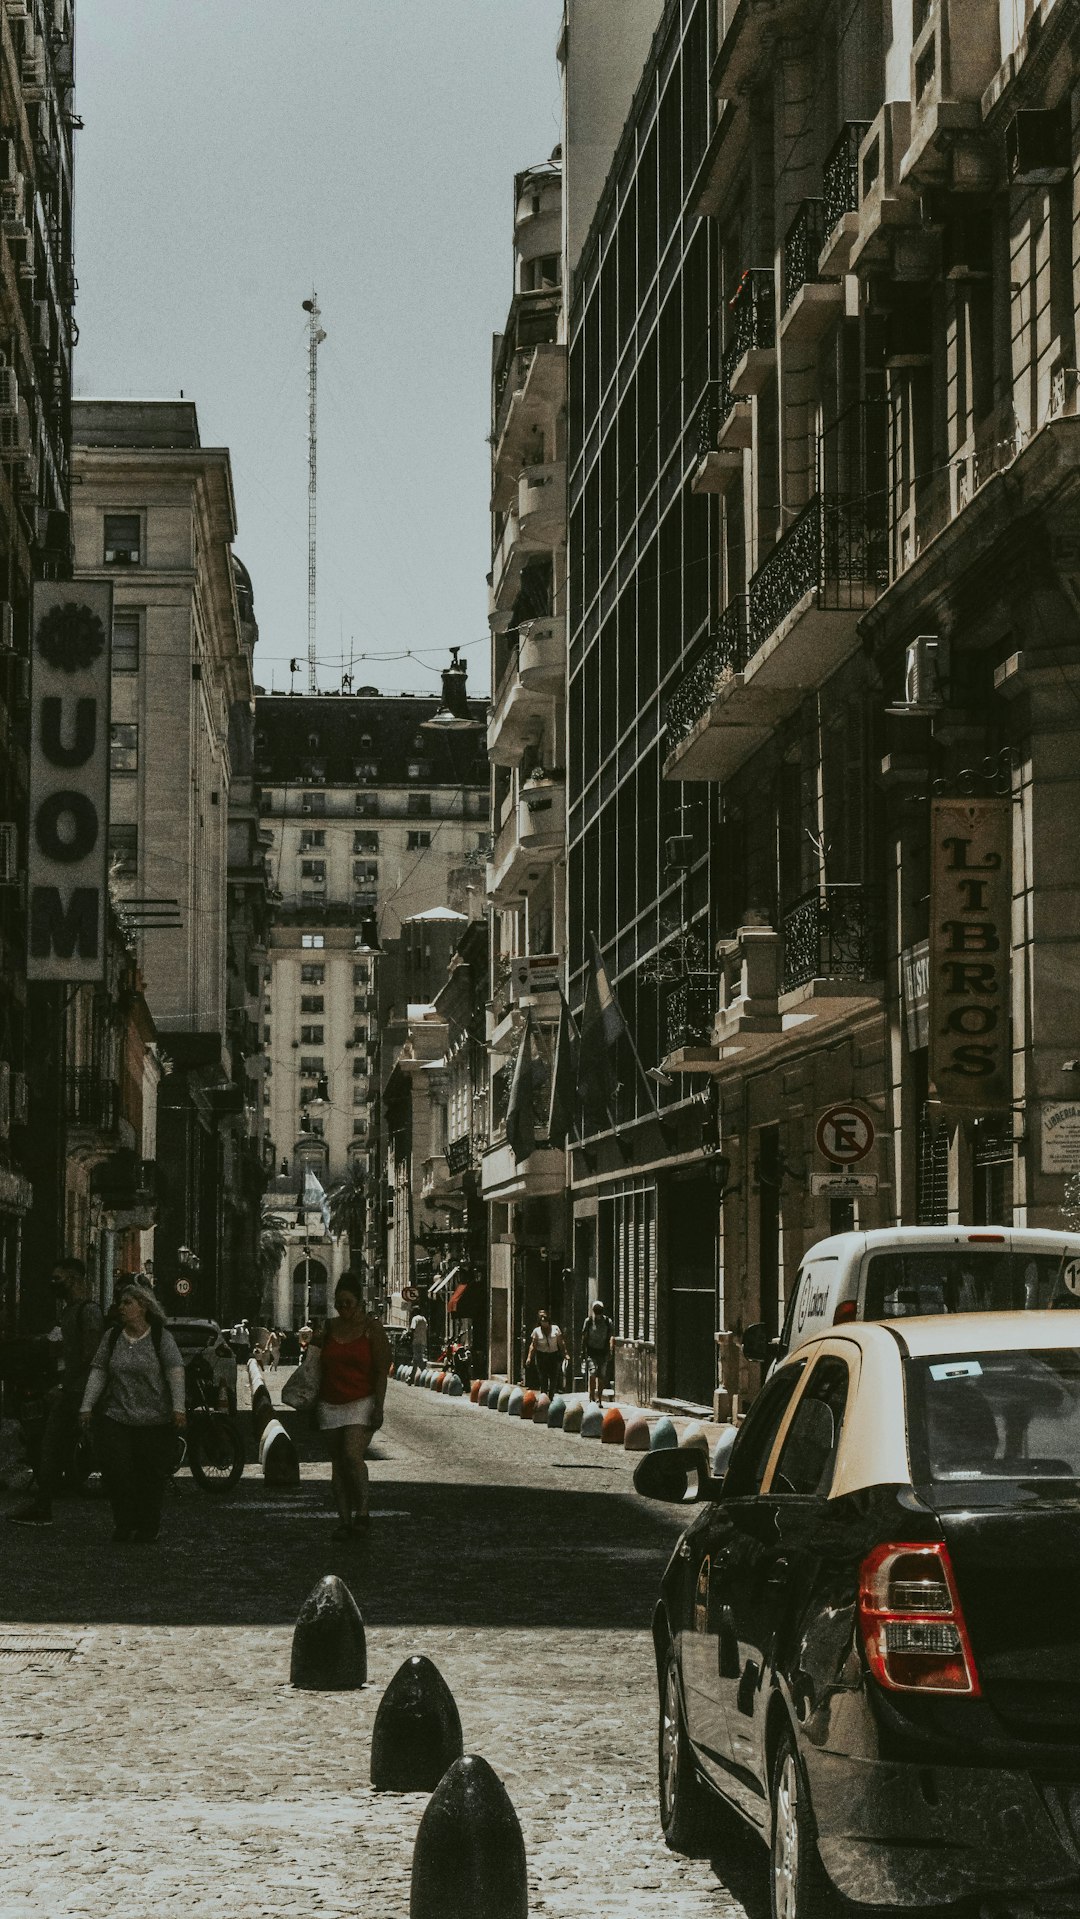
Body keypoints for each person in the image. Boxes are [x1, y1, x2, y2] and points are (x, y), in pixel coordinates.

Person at [79, 1282, 186, 1544]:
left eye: (127, 1303)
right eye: (120, 1303)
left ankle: (148, 1526)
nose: (121, 1308)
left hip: (154, 1419)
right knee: (117, 1472)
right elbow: (99, 1370)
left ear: (143, 1306)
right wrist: (87, 1405)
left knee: (149, 1475)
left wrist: (178, 1408)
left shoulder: (160, 1337)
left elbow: (175, 1371)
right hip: (118, 1416)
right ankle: (125, 1523)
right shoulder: (113, 1337)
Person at [10, 1257, 104, 1526]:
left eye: (57, 1278)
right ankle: (43, 1505)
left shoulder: (88, 1311)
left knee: (56, 1445)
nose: (53, 1284)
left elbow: (90, 1354)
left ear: (73, 1278)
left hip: (82, 1391)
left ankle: (43, 1506)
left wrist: (64, 1385)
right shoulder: (70, 1311)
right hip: (74, 1390)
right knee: (51, 1445)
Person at [313, 1273, 390, 1537]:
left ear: (359, 1303)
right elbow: (316, 1364)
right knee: (337, 1463)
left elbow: (381, 1371)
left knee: (351, 1456)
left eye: (348, 1303)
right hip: (329, 1402)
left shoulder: (373, 1330)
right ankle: (344, 1521)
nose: (343, 1309)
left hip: (361, 1400)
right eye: (339, 1304)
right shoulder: (329, 1328)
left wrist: (379, 1406)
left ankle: (363, 1513)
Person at [525, 1311, 567, 1397]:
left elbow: (561, 1342)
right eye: (542, 1321)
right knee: (543, 1377)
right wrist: (529, 1357)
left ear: (549, 1321)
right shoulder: (536, 1331)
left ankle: (551, 1395)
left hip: (553, 1355)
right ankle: (543, 1396)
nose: (544, 1323)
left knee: (553, 1376)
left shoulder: (555, 1329)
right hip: (541, 1356)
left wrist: (565, 1353)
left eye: (545, 1321)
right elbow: (533, 1345)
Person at [581, 1299, 614, 1403]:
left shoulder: (607, 1322)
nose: (598, 1314)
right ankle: (591, 1397)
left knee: (601, 1376)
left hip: (603, 1352)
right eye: (596, 1311)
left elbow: (611, 1337)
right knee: (593, 1373)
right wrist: (583, 1352)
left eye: (599, 1311)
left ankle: (599, 1398)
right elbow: (584, 1337)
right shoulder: (589, 1321)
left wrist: (610, 1350)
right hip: (592, 1352)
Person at [409, 1309, 428, 1375]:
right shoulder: (424, 1319)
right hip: (423, 1341)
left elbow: (412, 1329)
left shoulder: (415, 1319)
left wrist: (411, 1339)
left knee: (417, 1357)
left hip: (416, 1341)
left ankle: (423, 1372)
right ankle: (412, 1375)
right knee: (417, 1357)